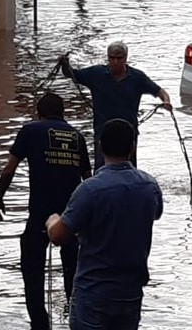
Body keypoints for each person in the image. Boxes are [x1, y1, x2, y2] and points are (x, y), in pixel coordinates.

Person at [45, 119, 163, 330]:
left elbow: (58, 236)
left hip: (93, 292)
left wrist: (52, 220)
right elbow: (156, 214)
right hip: (130, 292)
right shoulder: (150, 187)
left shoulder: (89, 190)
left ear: (100, 147)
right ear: (132, 147)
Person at [0, 93, 92, 330]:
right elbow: (89, 182)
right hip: (71, 216)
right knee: (73, 270)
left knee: (32, 268)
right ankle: (75, 318)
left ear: (39, 112)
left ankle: (39, 322)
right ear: (63, 113)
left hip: (40, 214)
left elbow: (8, 170)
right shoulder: (77, 137)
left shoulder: (30, 131)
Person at [58, 42, 171, 168]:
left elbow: (159, 91)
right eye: (112, 58)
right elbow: (72, 74)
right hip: (103, 132)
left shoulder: (137, 78)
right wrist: (64, 64)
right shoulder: (96, 74)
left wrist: (166, 101)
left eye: (119, 58)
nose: (115, 62)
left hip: (128, 133)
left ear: (126, 57)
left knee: (129, 169)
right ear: (108, 57)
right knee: (101, 168)